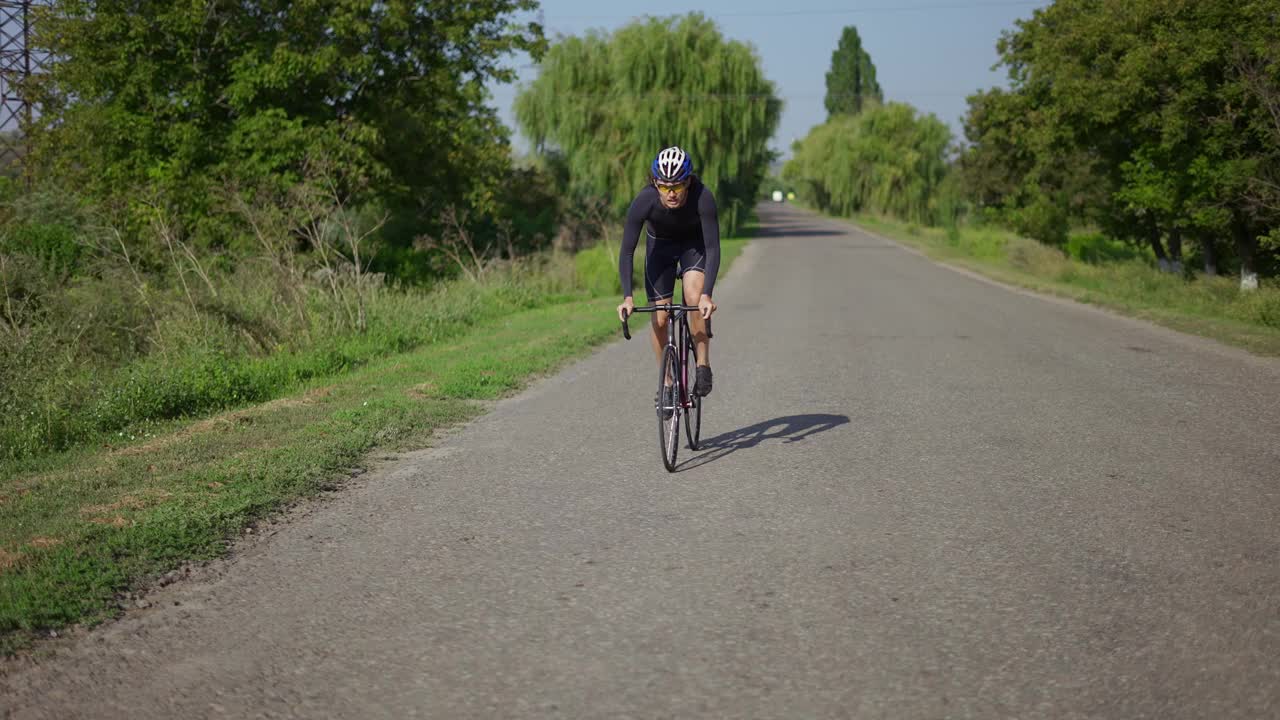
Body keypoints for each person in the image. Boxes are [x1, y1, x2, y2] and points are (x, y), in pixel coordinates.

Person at [616, 146, 720, 403]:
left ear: (688, 181)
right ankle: (667, 383)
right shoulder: (644, 201)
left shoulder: (703, 197)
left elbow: (712, 247)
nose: (671, 193)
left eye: (677, 186)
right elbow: (627, 251)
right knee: (660, 318)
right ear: (655, 183)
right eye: (664, 187)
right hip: (660, 248)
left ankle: (703, 364)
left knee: (693, 297)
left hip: (693, 246)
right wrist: (628, 297)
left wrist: (708, 295)